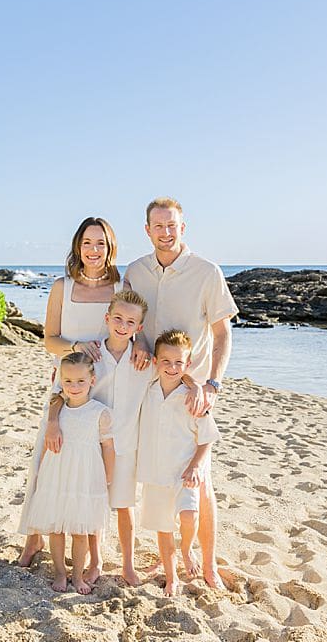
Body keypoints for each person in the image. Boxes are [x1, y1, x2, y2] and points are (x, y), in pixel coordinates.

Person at [123, 196, 237, 589]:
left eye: (172, 225)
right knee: (158, 480)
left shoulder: (207, 272)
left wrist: (213, 385)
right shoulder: (135, 272)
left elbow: (223, 335)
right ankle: (170, 557)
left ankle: (207, 566)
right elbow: (129, 321)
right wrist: (138, 342)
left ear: (182, 228)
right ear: (147, 230)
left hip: (194, 392)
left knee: (200, 482)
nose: (166, 232)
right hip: (149, 391)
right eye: (159, 225)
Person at [17, 217, 120, 570]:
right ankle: (34, 537)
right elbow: (49, 339)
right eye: (88, 243)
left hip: (108, 385)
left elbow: (132, 327)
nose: (94, 250)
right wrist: (74, 347)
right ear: (78, 246)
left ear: (110, 248)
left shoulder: (122, 287)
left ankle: (95, 551)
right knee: (48, 460)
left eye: (101, 243)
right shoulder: (62, 286)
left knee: (90, 467)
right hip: (69, 382)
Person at [20, 353, 115, 594]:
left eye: (80, 381)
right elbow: (45, 445)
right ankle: (60, 573)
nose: (74, 387)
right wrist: (41, 470)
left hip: (85, 477)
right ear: (60, 380)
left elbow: (108, 447)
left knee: (80, 530)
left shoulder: (99, 412)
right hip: (57, 474)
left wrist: (107, 478)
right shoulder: (57, 410)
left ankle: (78, 576)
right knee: (57, 528)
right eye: (68, 381)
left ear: (92, 380)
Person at [136, 330, 220, 596]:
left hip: (184, 472)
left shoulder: (191, 397)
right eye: (166, 362)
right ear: (155, 362)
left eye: (179, 363)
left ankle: (186, 550)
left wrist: (196, 465)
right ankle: (172, 578)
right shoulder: (147, 391)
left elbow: (207, 437)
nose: (172, 368)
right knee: (163, 527)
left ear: (188, 365)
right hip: (156, 472)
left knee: (189, 515)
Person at [89, 290, 151, 586]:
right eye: (117, 319)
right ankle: (95, 560)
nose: (122, 326)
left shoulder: (143, 362)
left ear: (139, 329)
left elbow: (172, 376)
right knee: (94, 502)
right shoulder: (92, 355)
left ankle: (127, 564)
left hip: (127, 445)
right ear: (107, 319)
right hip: (92, 444)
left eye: (130, 322)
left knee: (125, 505)